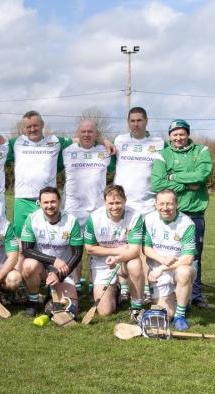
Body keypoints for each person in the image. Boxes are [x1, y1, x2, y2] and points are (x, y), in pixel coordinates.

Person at [151, 119, 213, 309]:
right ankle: (161, 291)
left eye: (181, 134)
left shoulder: (201, 151)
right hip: (169, 214)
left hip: (194, 213)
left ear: (188, 134)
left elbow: (202, 175)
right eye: (174, 134)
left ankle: (195, 295)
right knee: (163, 252)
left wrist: (173, 177)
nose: (178, 138)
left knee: (193, 256)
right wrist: (187, 185)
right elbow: (157, 184)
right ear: (169, 136)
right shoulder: (162, 154)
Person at [61, 118, 116, 289]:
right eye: (83, 131)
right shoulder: (67, 150)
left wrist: (105, 141)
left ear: (96, 134)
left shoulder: (105, 151)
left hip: (97, 208)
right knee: (74, 247)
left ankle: (95, 282)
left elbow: (115, 168)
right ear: (78, 133)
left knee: (97, 247)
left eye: (90, 131)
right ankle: (76, 282)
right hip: (73, 208)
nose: (86, 134)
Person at [82, 185, 144, 319]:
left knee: (135, 265)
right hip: (102, 261)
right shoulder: (94, 218)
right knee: (105, 311)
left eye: (118, 203)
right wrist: (117, 251)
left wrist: (116, 258)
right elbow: (89, 248)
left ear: (125, 200)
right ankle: (116, 289)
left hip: (125, 259)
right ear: (104, 202)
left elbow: (135, 251)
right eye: (111, 203)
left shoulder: (135, 216)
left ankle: (136, 306)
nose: (114, 207)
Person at [20, 187, 84, 317]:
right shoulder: (32, 219)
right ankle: (33, 302)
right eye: (46, 202)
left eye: (53, 201)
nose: (50, 206)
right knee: (28, 265)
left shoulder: (71, 221)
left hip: (64, 271)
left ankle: (49, 295)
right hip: (41, 268)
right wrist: (53, 261)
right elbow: (27, 250)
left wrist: (59, 275)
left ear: (59, 201)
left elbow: (77, 254)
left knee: (71, 310)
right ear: (40, 203)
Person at [142, 189, 197, 330]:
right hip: (158, 270)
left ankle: (180, 315)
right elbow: (146, 248)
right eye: (161, 204)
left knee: (184, 272)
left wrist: (162, 268)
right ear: (155, 204)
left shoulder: (187, 223)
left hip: (178, 267)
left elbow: (188, 258)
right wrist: (162, 259)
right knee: (166, 314)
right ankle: (180, 300)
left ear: (177, 204)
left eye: (169, 204)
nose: (165, 208)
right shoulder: (149, 219)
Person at [113, 107, 165, 215]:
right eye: (132, 121)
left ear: (146, 121)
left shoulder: (159, 143)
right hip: (121, 204)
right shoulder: (119, 140)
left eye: (139, 120)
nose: (136, 124)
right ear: (128, 122)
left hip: (148, 206)